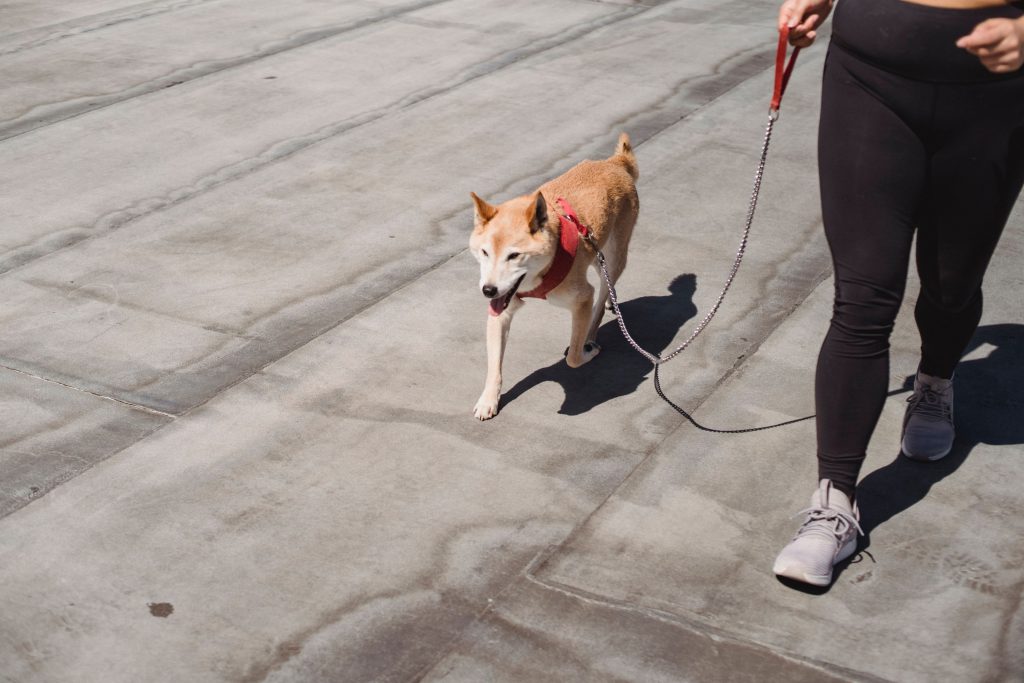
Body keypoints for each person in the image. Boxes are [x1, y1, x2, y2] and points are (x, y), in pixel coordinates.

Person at [771, 0, 1024, 586]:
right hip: (870, 75)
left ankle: (935, 383)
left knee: (953, 287)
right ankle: (833, 503)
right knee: (862, 298)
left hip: (994, 98)